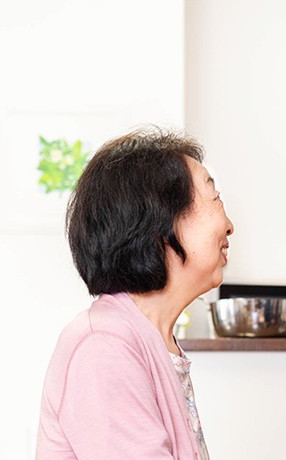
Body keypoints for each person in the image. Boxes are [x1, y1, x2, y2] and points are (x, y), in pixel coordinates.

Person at [36, 127, 233, 459]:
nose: (229, 225)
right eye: (214, 199)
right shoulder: (104, 345)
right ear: (159, 224)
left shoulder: (144, 338)